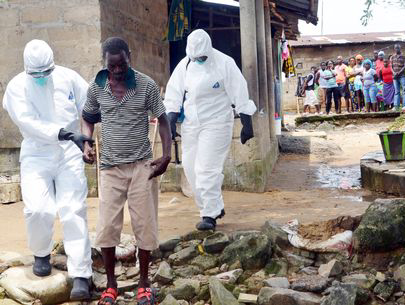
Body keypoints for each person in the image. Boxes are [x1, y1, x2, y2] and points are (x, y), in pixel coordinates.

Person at [81, 37, 172, 304]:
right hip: (110, 168)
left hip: (142, 166)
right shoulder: (96, 87)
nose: (118, 70)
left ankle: (144, 283)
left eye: (122, 64)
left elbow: (163, 121)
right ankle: (111, 285)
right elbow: (87, 118)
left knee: (145, 226)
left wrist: (166, 155)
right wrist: (86, 143)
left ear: (129, 57)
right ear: (105, 63)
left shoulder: (146, 85)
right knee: (107, 228)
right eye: (113, 66)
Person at [2, 40, 92, 300]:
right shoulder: (17, 86)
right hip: (36, 152)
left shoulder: (69, 77)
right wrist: (65, 133)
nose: (41, 77)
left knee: (73, 209)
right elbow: (28, 122)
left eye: (46, 72)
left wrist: (85, 139)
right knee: (37, 209)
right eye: (36, 74)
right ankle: (41, 254)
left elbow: (88, 108)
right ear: (27, 69)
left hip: (69, 153)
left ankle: (81, 275)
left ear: (53, 64)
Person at [164, 29, 256, 231]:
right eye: (196, 57)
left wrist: (247, 124)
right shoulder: (186, 64)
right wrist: (170, 121)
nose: (199, 60)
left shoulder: (225, 63)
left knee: (206, 169)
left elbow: (239, 93)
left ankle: (209, 214)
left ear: (209, 49)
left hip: (217, 123)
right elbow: (173, 93)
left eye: (202, 57)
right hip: (191, 124)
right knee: (190, 167)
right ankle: (214, 206)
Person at [392, 44, 405, 111]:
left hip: (402, 76)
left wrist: (399, 72)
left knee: (404, 90)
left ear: (400, 48)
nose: (396, 49)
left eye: (398, 48)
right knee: (396, 91)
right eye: (395, 48)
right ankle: (396, 106)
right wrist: (393, 72)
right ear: (394, 49)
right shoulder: (392, 57)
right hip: (395, 77)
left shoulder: (404, 56)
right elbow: (391, 66)